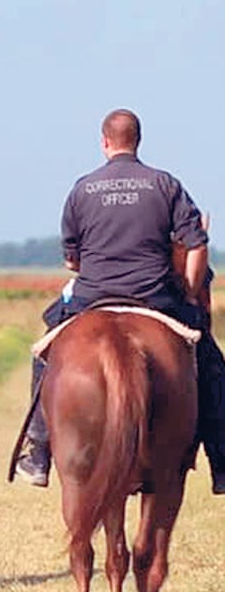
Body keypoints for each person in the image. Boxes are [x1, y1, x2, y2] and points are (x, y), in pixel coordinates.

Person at [14, 109, 225, 494]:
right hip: (155, 298)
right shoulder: (165, 184)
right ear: (138, 140)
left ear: (104, 141)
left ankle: (39, 451)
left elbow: (71, 260)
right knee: (209, 358)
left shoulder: (82, 188)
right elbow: (197, 244)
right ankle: (221, 456)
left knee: (44, 352)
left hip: (92, 297)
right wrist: (192, 291)